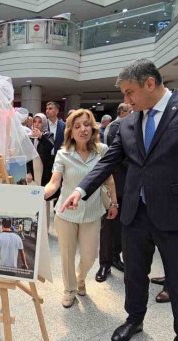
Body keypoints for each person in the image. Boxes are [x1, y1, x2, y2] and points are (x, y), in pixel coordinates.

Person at [61, 59, 178, 341]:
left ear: (150, 84)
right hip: (137, 215)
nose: (127, 101)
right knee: (134, 274)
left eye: (130, 93)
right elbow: (109, 160)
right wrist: (80, 189)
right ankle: (134, 319)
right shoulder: (130, 123)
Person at [44, 108, 118, 308]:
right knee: (67, 255)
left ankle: (80, 277)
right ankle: (69, 290)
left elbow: (109, 178)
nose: (82, 129)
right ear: (70, 131)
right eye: (77, 126)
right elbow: (54, 182)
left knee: (90, 255)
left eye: (86, 124)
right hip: (66, 214)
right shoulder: (63, 154)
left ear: (93, 127)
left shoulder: (102, 150)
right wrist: (38, 195)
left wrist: (114, 202)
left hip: (92, 212)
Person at [95, 103, 131, 282]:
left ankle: (117, 258)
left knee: (123, 228)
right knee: (108, 227)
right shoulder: (117, 126)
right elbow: (112, 159)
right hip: (116, 183)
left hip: (134, 187)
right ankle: (105, 263)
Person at [28, 113, 56, 186]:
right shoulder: (29, 136)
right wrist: (28, 172)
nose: (36, 124)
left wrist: (40, 136)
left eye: (39, 122)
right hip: (32, 170)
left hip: (44, 170)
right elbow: (26, 154)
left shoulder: (48, 135)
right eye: (35, 121)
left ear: (44, 123)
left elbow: (50, 146)